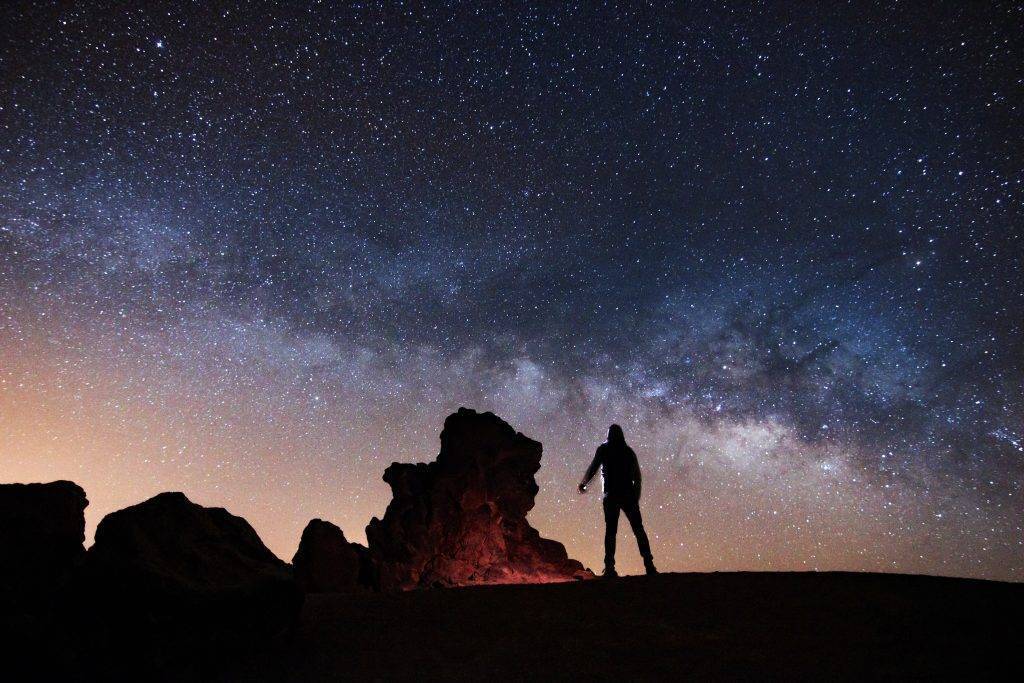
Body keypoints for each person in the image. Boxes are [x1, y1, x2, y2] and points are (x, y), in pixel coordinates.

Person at [578, 424, 657, 577]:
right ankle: (649, 565)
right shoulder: (628, 452)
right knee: (638, 529)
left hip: (611, 495)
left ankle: (609, 567)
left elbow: (594, 467)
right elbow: (637, 477)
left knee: (611, 531)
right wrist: (636, 497)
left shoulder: (604, 449)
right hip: (628, 495)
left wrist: (584, 483)